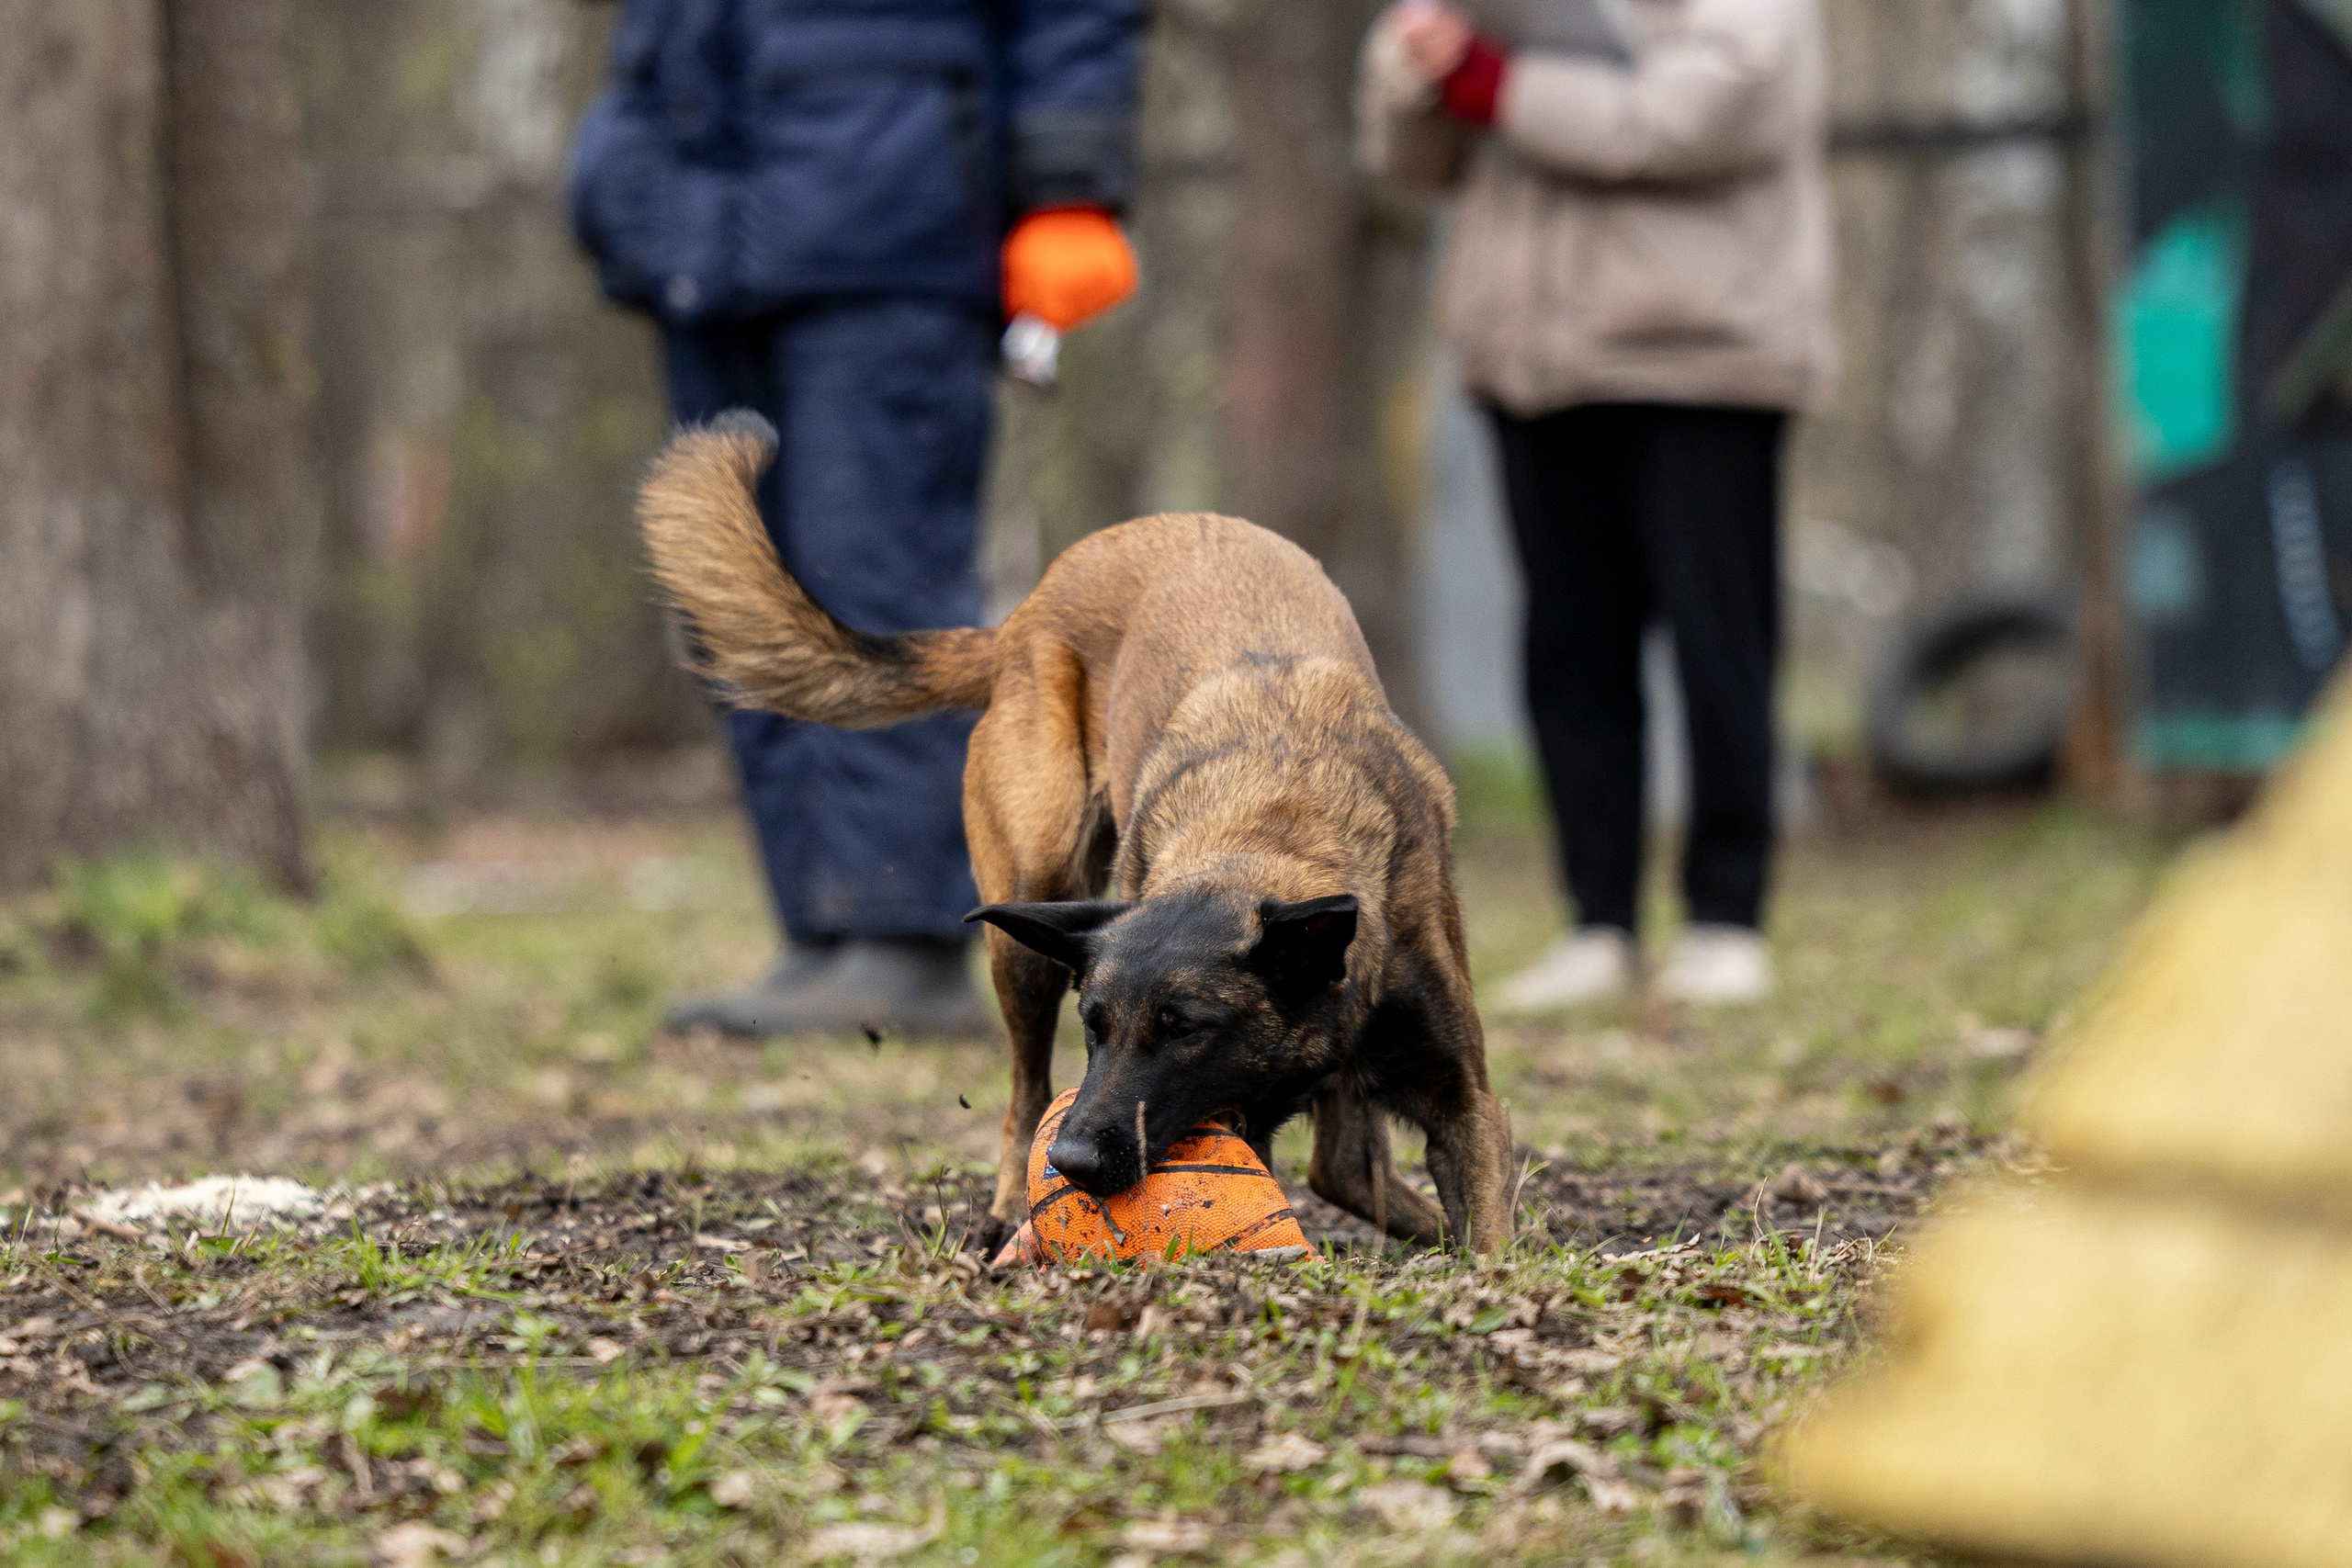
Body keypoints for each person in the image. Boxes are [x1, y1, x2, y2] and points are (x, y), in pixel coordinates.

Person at [570, 0, 1144, 1037]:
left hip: (894, 221)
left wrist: (1070, 184)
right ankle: (820, 928)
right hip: (695, 228)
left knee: (872, 579)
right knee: (731, 592)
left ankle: (907, 933)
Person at [1356, 0, 1835, 1009]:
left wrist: (1495, 81)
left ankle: (1725, 918)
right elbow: (1408, 160)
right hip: (1535, 363)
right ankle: (1598, 923)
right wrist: (1415, 67)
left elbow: (1699, 113)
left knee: (1720, 643)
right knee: (1571, 651)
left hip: (1702, 358)